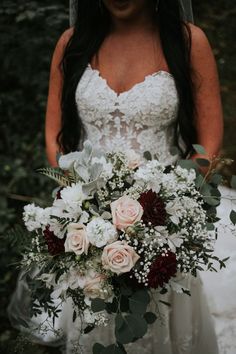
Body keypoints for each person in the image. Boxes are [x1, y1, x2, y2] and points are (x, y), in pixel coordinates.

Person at [10, 0, 225, 353]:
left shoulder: (188, 41)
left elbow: (209, 145)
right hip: (87, 219)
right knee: (95, 315)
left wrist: (169, 203)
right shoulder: (72, 42)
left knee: (155, 317)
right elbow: (54, 136)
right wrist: (83, 200)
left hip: (161, 221)